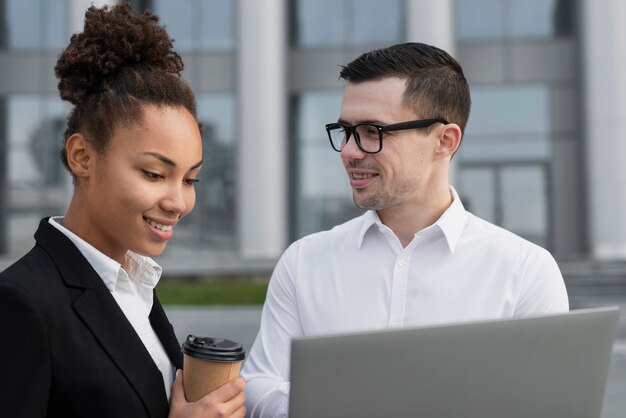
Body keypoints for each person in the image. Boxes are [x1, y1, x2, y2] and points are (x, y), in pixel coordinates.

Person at [241, 42, 569, 417]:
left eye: (372, 131)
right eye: (345, 131)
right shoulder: (304, 261)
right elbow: (259, 385)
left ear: (444, 141)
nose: (348, 151)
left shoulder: (525, 271)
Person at [0, 5, 246, 418]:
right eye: (154, 174)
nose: (178, 202)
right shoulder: (21, 304)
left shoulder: (134, 286)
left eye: (190, 180)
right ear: (82, 156)